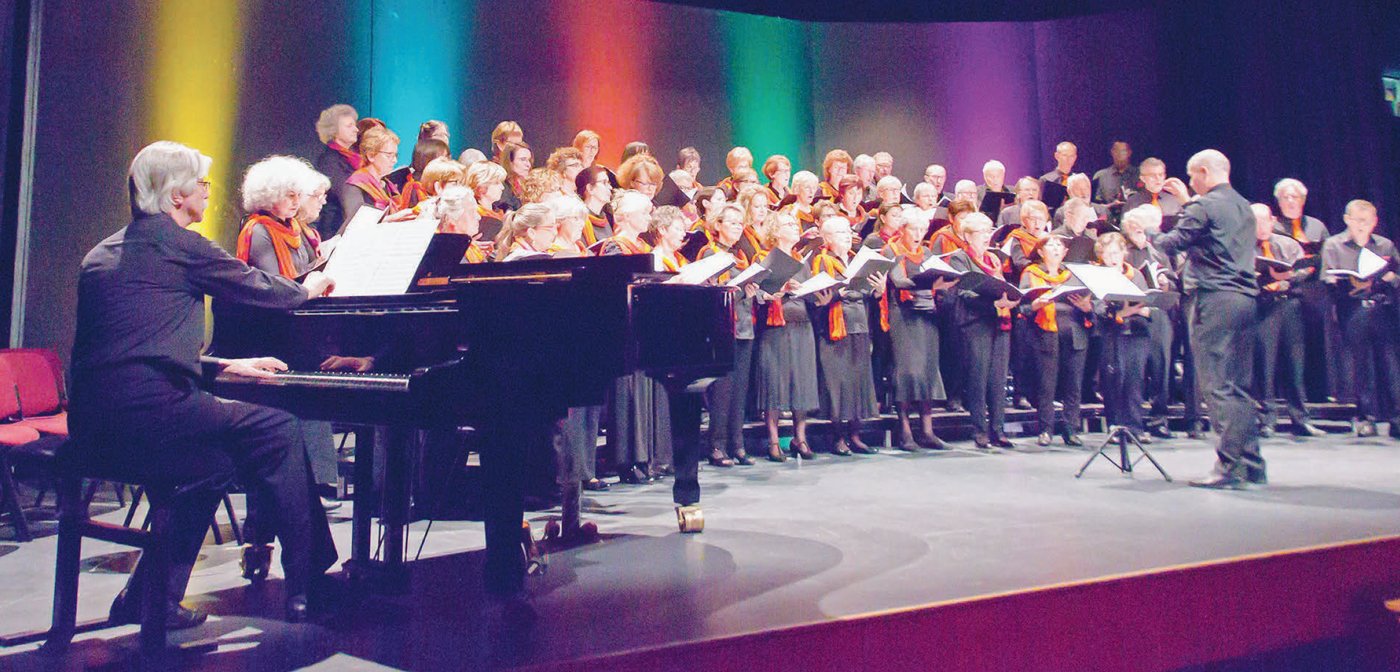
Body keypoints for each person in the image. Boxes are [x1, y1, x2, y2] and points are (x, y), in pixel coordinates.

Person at [70, 141, 337, 627]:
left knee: (211, 465)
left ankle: (149, 597)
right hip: (155, 414)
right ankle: (311, 580)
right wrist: (308, 288)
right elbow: (257, 286)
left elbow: (136, 350)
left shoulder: (101, 254)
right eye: (203, 184)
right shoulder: (182, 244)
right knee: (279, 428)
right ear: (176, 196)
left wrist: (224, 367)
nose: (211, 192)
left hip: (94, 420)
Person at [1149, 149, 1262, 489]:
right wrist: (1188, 203)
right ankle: (1251, 462)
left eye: (1192, 176)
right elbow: (1207, 233)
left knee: (1216, 384)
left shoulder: (1204, 205)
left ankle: (1230, 467)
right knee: (1239, 386)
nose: (1190, 182)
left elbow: (1174, 242)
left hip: (1214, 299)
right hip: (1244, 299)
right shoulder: (1243, 205)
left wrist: (1150, 232)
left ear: (1202, 172)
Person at [600, 192, 672, 481]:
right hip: (626, 329)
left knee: (646, 395)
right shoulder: (614, 247)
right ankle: (629, 461)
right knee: (629, 398)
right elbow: (615, 286)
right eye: (644, 211)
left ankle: (650, 458)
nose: (649, 216)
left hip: (645, 328)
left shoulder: (642, 245)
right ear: (627, 216)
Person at [1321, 200, 1400, 439]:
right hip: (1351, 310)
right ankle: (1366, 417)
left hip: (1382, 309)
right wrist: (1342, 282)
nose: (1362, 225)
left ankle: (1396, 417)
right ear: (1347, 220)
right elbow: (1327, 277)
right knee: (1360, 365)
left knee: (1390, 365)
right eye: (1357, 220)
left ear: (1375, 222)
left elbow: (1397, 273)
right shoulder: (1334, 244)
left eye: (1367, 221)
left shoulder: (1384, 245)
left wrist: (1388, 279)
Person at [809, 216, 885, 455]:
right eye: (840, 233)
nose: (846, 236)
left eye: (847, 232)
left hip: (859, 325)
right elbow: (818, 295)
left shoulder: (857, 260)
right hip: (834, 328)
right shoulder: (821, 260)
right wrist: (839, 292)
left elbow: (869, 294)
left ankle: (856, 434)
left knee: (858, 382)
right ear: (828, 238)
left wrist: (879, 291)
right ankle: (838, 436)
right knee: (837, 384)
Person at [946, 212, 1020, 448]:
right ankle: (979, 430)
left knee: (998, 379)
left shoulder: (994, 260)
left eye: (989, 231)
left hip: (1000, 323)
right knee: (978, 378)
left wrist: (1010, 300)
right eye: (981, 232)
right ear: (968, 235)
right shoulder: (959, 259)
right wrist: (992, 303)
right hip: (976, 323)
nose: (986, 237)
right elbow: (963, 293)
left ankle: (998, 429)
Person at [1250, 203, 1325, 437]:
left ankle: (1300, 419)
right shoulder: (1244, 248)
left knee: (1295, 364)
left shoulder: (1288, 244)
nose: (1261, 226)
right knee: (1265, 365)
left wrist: (1289, 279)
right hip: (1262, 306)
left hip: (1289, 305)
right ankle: (1267, 420)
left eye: (1264, 221)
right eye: (1255, 222)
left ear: (1272, 221)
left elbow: (1305, 270)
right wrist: (1265, 278)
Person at [753, 210, 820, 461]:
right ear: (775, 230)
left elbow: (812, 292)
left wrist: (811, 291)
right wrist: (779, 289)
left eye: (795, 223)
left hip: (802, 324)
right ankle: (773, 441)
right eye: (788, 224)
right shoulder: (765, 259)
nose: (795, 227)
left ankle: (799, 438)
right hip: (775, 327)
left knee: (801, 383)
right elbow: (758, 292)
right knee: (775, 383)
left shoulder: (802, 261)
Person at [884, 208, 953, 450]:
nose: (918, 234)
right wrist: (928, 282)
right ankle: (904, 432)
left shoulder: (925, 252)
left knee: (927, 371)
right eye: (913, 229)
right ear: (902, 230)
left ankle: (927, 430)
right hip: (903, 315)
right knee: (907, 372)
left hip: (927, 314)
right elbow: (899, 281)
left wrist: (943, 283)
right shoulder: (892, 251)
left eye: (922, 229)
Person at [697, 205, 758, 466]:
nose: (737, 227)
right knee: (722, 390)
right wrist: (744, 292)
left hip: (744, 326)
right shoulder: (710, 252)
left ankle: (738, 444)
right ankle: (716, 445)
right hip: (723, 327)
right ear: (718, 224)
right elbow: (713, 291)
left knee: (739, 390)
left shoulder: (742, 254)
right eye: (731, 222)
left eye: (739, 223)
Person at [1020, 234, 1094, 446]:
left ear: (1064, 253)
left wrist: (1086, 308)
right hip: (1045, 333)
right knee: (1046, 384)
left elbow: (1091, 308)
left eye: (1059, 246)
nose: (1055, 249)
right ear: (1041, 252)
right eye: (1049, 245)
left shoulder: (1075, 276)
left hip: (1075, 331)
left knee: (1073, 384)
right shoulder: (1031, 274)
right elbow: (1023, 308)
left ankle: (1071, 429)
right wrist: (1036, 305)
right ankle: (1045, 429)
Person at [1272, 177, 1340, 404]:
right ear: (1278, 202)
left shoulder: (1317, 226)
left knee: (1316, 342)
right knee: (1290, 346)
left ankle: (1319, 392)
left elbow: (1329, 257)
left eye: (1295, 197)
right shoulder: (1273, 227)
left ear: (1303, 200)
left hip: (1314, 290)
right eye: (1285, 197)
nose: (1290, 201)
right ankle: (1288, 395)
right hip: (1286, 291)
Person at [1093, 232, 1153, 443]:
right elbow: (1097, 307)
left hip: (1137, 332)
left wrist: (1136, 311)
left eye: (1116, 252)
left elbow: (1147, 302)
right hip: (1111, 333)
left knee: (1135, 380)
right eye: (1108, 253)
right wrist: (1120, 314)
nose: (1113, 257)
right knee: (1114, 380)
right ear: (1101, 256)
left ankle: (1135, 428)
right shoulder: (1098, 275)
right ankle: (1116, 426)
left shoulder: (1135, 274)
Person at [310, 104, 360, 239]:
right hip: (335, 231)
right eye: (349, 126)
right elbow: (345, 195)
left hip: (349, 227)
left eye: (355, 125)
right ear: (334, 131)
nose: (356, 130)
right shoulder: (329, 160)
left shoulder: (354, 157)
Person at [340, 126, 401, 223]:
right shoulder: (355, 185)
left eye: (395, 155)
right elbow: (357, 223)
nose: (394, 160)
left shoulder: (388, 185)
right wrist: (397, 217)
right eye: (389, 155)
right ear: (371, 156)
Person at [464, 161, 508, 244]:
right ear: (481, 186)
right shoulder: (470, 216)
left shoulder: (500, 213)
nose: (502, 188)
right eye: (497, 183)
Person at [575, 164, 615, 246]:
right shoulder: (578, 220)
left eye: (609, 183)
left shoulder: (608, 217)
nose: (610, 187)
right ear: (590, 188)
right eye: (604, 183)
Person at [1092, 141, 1136, 206]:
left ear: (1129, 153)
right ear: (1112, 152)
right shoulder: (1101, 176)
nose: (1119, 155)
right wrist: (1110, 206)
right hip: (1108, 214)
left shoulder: (1139, 175)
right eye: (1116, 151)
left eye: (1123, 152)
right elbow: (1094, 204)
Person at [497, 141, 533, 211]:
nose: (528, 164)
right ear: (509, 161)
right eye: (522, 160)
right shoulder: (502, 187)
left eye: (529, 160)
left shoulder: (530, 184)